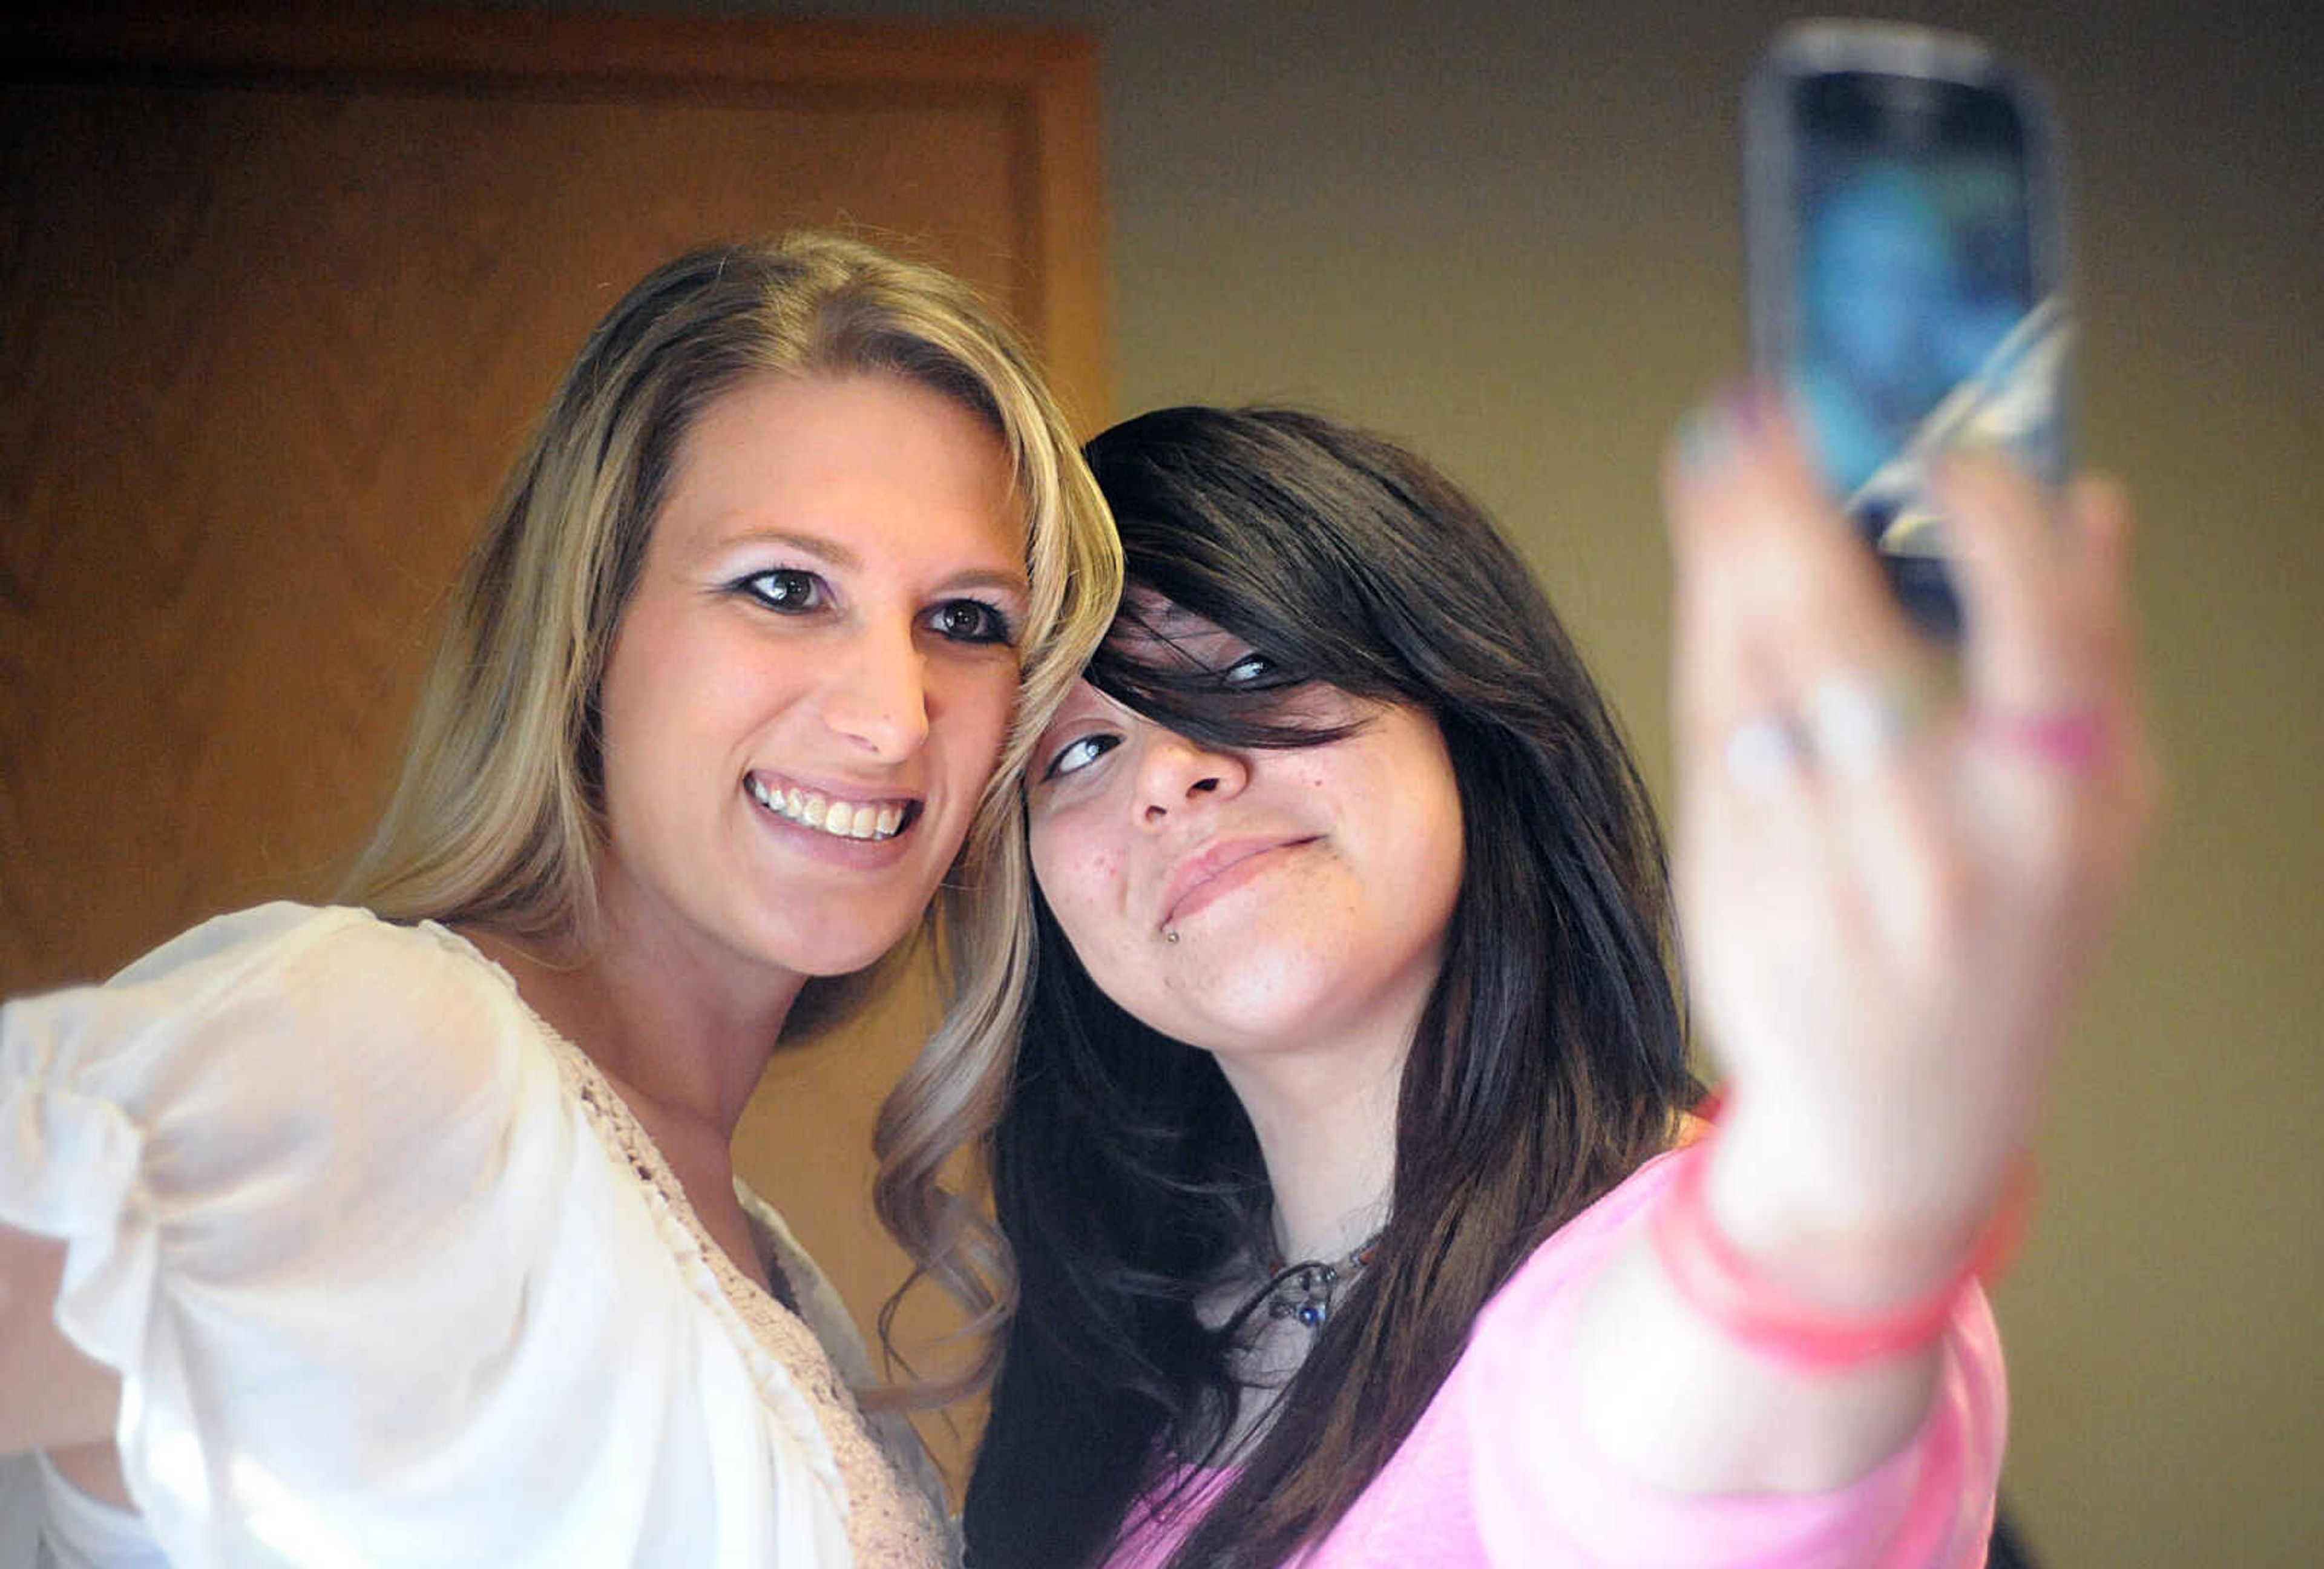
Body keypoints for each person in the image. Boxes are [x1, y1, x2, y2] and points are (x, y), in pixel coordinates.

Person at [0, 232, 1121, 1566]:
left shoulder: (756, 1266)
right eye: (784, 588)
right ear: (586, 627)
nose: (890, 717)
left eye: (968, 621)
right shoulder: (395, 1049)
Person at [922, 401, 2150, 1567]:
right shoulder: (1106, 1358)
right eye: (1079, 750)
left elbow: (1692, 1464)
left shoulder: (1653, 1269)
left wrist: (1843, 1204)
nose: (1169, 774)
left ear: (1459, 711)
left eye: (1248, 676)